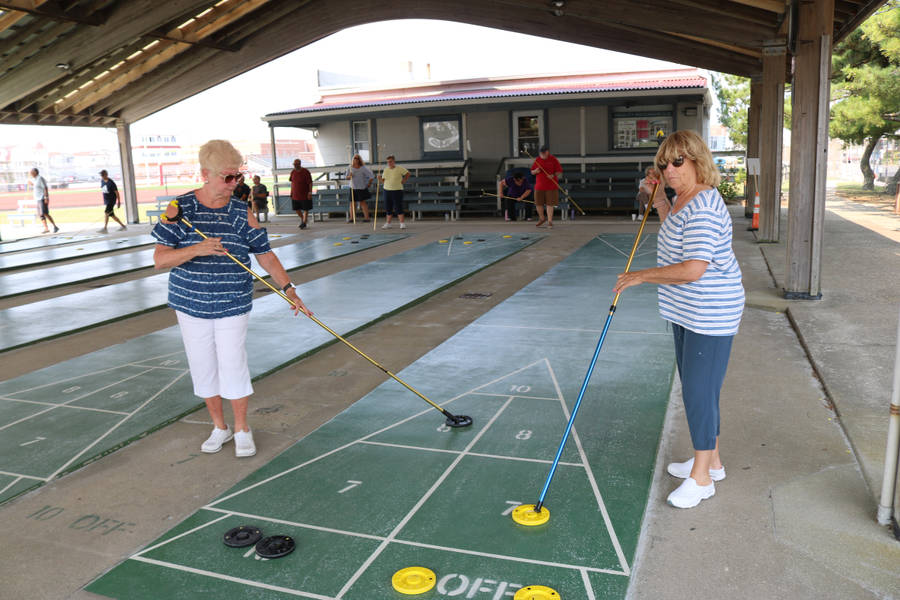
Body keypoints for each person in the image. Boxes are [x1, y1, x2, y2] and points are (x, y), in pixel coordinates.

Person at [152, 140, 313, 458]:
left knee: (233, 362)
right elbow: (160, 259)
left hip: (233, 302)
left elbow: (265, 255)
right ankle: (219, 427)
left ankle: (241, 428)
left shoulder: (241, 211)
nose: (234, 183)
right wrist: (196, 249)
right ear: (205, 175)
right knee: (202, 364)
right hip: (190, 303)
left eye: (237, 176)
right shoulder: (180, 209)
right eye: (227, 177)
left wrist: (289, 289)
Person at [613, 129, 745, 509]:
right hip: (688, 310)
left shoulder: (703, 205)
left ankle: (702, 479)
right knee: (698, 388)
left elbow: (692, 269)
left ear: (697, 160)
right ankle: (711, 462)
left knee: (699, 393)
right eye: (663, 164)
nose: (669, 170)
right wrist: (658, 200)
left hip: (710, 313)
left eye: (677, 161)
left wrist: (640, 276)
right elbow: (672, 225)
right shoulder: (684, 197)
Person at [530, 145, 562, 228]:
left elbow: (559, 171)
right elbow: (532, 172)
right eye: (541, 152)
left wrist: (553, 175)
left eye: (544, 152)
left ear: (548, 152)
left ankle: (550, 221)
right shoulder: (537, 160)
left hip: (551, 186)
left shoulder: (553, 159)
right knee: (538, 203)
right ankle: (542, 218)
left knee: (550, 204)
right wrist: (535, 171)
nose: (543, 154)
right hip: (539, 186)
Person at [379, 155, 410, 229]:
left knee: (398, 206)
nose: (389, 163)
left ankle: (402, 223)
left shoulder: (399, 168)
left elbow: (407, 173)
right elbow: (383, 181)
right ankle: (388, 223)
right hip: (387, 190)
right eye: (388, 162)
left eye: (390, 162)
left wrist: (404, 180)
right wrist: (379, 178)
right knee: (388, 207)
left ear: (394, 161)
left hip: (397, 190)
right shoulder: (386, 169)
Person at [29, 168, 58, 233]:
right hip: (38, 199)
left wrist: (46, 197)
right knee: (41, 214)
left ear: (35, 172)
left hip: (42, 198)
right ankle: (46, 228)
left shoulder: (40, 178)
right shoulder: (35, 179)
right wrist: (32, 184)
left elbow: (45, 188)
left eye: (31, 172)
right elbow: (37, 186)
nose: (30, 174)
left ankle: (55, 226)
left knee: (44, 213)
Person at [347, 154, 374, 222]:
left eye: (357, 158)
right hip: (353, 187)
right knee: (352, 203)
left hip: (361, 187)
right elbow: (346, 177)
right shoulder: (350, 167)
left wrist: (369, 183)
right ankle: (352, 218)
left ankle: (367, 218)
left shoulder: (363, 168)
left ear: (359, 160)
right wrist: (349, 176)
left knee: (362, 202)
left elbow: (371, 176)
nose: (356, 160)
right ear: (353, 159)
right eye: (355, 158)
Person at [290, 158, 313, 229]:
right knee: (296, 209)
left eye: (296, 164)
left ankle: (304, 222)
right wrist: (291, 192)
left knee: (306, 209)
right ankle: (303, 219)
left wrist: (310, 192)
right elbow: (292, 183)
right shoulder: (293, 172)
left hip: (305, 194)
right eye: (294, 164)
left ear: (299, 164)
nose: (295, 165)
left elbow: (310, 183)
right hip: (295, 195)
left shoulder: (305, 171)